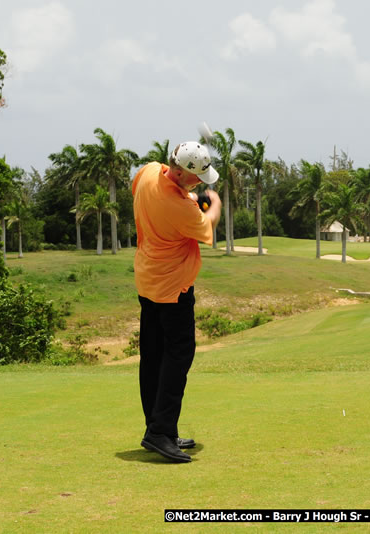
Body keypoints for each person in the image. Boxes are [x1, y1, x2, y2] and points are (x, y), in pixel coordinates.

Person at [132, 141, 221, 463]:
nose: (200, 182)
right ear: (181, 171)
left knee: (153, 356)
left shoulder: (147, 172)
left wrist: (189, 195)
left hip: (148, 279)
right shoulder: (181, 208)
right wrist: (214, 203)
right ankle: (159, 431)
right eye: (196, 178)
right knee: (178, 357)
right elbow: (207, 228)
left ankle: (160, 428)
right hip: (173, 288)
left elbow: (154, 195)